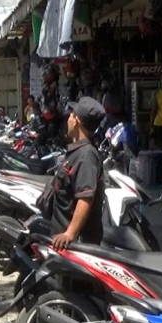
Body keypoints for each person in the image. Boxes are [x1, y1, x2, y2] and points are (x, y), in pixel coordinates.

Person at [46, 97, 106, 248]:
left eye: (71, 115)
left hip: (74, 245)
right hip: (61, 238)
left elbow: (85, 198)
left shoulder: (86, 156)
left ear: (76, 121)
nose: (68, 119)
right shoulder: (77, 151)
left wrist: (70, 233)